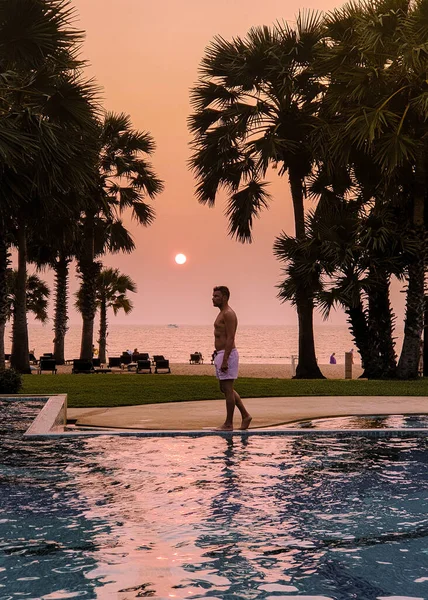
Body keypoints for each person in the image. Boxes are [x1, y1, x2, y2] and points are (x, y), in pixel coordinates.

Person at [212, 285, 252, 431]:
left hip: (227, 354)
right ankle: (245, 415)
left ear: (225, 297)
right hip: (221, 353)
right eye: (213, 296)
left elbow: (230, 338)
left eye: (216, 296)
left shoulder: (229, 313)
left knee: (228, 389)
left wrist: (225, 359)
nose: (213, 298)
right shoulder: (222, 313)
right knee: (224, 388)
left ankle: (229, 424)